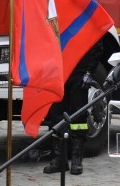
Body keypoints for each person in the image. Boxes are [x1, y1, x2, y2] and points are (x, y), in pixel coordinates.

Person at [41, 39, 109, 175]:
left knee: (79, 118)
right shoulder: (55, 18)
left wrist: (90, 71)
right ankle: (59, 160)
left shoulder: (84, 18)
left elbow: (96, 44)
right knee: (56, 116)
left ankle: (77, 160)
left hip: (80, 72)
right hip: (59, 73)